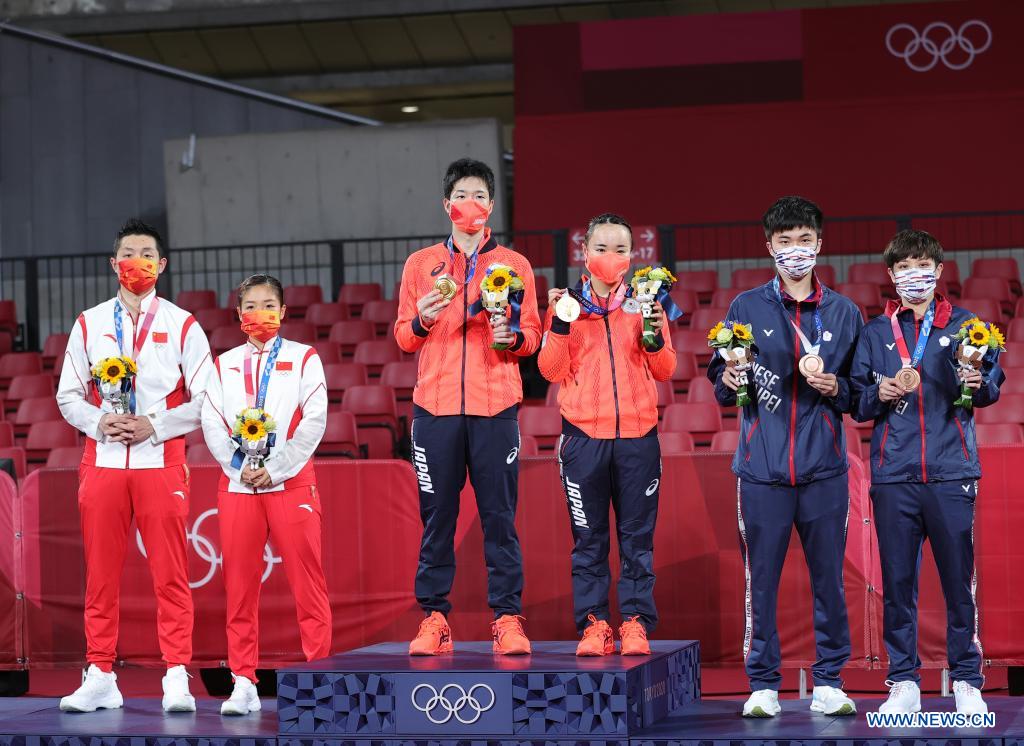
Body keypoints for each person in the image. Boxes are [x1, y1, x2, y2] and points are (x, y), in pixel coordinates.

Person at [707, 196, 862, 718]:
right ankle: (763, 684)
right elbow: (721, 381)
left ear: (820, 244)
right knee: (762, 584)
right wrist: (730, 377)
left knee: (829, 582)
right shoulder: (745, 308)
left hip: (825, 472)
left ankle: (830, 681)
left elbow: (861, 394)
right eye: (785, 241)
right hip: (761, 471)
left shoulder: (845, 313)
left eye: (804, 240)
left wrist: (837, 387)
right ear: (769, 246)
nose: (795, 250)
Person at [56, 219, 212, 713]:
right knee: (101, 576)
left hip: (160, 461)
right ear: (114, 263)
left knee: (170, 574)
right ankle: (100, 673)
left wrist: (155, 425)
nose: (137, 262)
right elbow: (67, 395)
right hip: (102, 461)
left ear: (161, 265)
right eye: (128, 253)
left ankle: (177, 674)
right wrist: (101, 422)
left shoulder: (183, 324)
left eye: (147, 254)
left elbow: (208, 398)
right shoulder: (89, 323)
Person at [850, 230, 1000, 716]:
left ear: (939, 271)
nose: (914, 275)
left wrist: (978, 381)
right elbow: (856, 403)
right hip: (893, 475)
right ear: (891, 276)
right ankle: (903, 681)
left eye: (923, 266)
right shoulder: (875, 333)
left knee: (959, 584)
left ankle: (966, 680)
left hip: (951, 473)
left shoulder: (969, 327)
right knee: (898, 585)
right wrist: (879, 394)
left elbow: (991, 388)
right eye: (904, 267)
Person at [394, 158, 541, 656]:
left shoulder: (515, 266)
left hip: (495, 406)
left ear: (491, 205)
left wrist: (511, 335)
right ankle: (434, 618)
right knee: (438, 518)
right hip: (434, 409)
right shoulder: (421, 265)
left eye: (479, 195)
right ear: (447, 205)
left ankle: (507, 619)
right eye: (461, 195)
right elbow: (403, 338)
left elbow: (533, 336)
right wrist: (421, 319)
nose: (470, 203)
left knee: (500, 517)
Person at [538, 213, 676, 657]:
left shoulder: (646, 303)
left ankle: (635, 623)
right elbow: (550, 371)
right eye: (601, 248)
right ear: (585, 252)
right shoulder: (566, 306)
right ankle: (594, 625)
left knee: (637, 542)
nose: (610, 257)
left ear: (632, 256)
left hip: (639, 438)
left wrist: (654, 334)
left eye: (620, 249)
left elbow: (665, 369)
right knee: (589, 541)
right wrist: (560, 325)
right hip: (583, 439)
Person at [201, 273, 332, 716]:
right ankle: (243, 681)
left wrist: (275, 469)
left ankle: (319, 678)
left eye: (269, 305)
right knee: (239, 588)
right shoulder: (224, 363)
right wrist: (241, 467)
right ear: (238, 314)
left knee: (308, 584)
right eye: (251, 306)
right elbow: (212, 421)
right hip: (238, 486)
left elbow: (314, 420)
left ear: (283, 311)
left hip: (290, 483)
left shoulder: (304, 358)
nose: (260, 312)